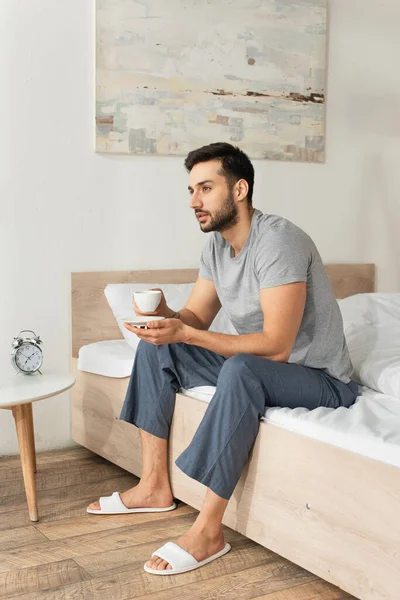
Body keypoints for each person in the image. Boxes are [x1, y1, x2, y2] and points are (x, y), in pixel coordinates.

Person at [87, 142, 358, 575]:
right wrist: (163, 319)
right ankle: (155, 485)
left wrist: (188, 331)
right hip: (273, 365)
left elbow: (276, 347)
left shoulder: (279, 241)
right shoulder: (216, 247)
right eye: (191, 190)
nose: (194, 201)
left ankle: (209, 530)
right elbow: (194, 317)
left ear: (239, 190)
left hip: (320, 377)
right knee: (160, 348)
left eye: (206, 188)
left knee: (242, 368)